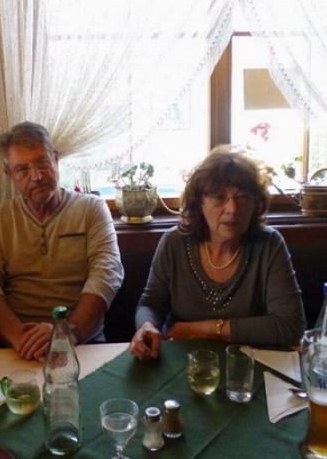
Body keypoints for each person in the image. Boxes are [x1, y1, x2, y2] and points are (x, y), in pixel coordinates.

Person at [129, 147, 306, 360]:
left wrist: (206, 329)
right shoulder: (174, 242)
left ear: (256, 203)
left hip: (246, 363)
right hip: (182, 358)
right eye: (219, 197)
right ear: (199, 202)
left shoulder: (269, 244)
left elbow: (290, 326)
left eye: (243, 197)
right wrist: (146, 326)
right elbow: (150, 303)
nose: (233, 209)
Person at [0, 121, 124, 360]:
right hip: (17, 346)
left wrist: (67, 333)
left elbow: (107, 273)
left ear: (56, 159)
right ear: (9, 175)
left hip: (82, 343)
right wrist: (19, 337)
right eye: (23, 169)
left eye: (42, 163)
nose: (37, 176)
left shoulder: (92, 209)